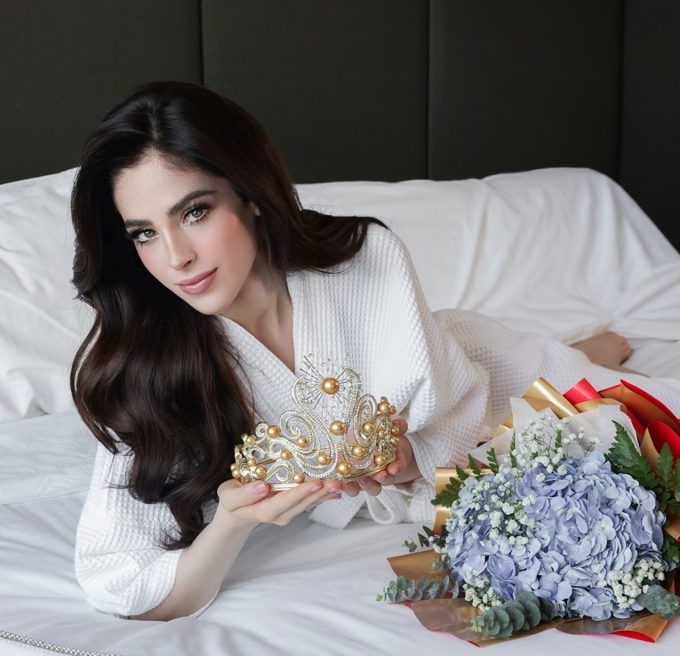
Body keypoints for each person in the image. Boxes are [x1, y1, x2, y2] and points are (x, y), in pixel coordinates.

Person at [70, 81, 640, 622]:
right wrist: (232, 524)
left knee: (609, 420)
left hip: (465, 362)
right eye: (144, 233)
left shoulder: (364, 258)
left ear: (250, 194)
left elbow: (455, 411)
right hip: (429, 400)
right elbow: (124, 586)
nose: (177, 258)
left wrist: (408, 456)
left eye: (195, 212)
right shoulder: (144, 366)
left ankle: (569, 351)